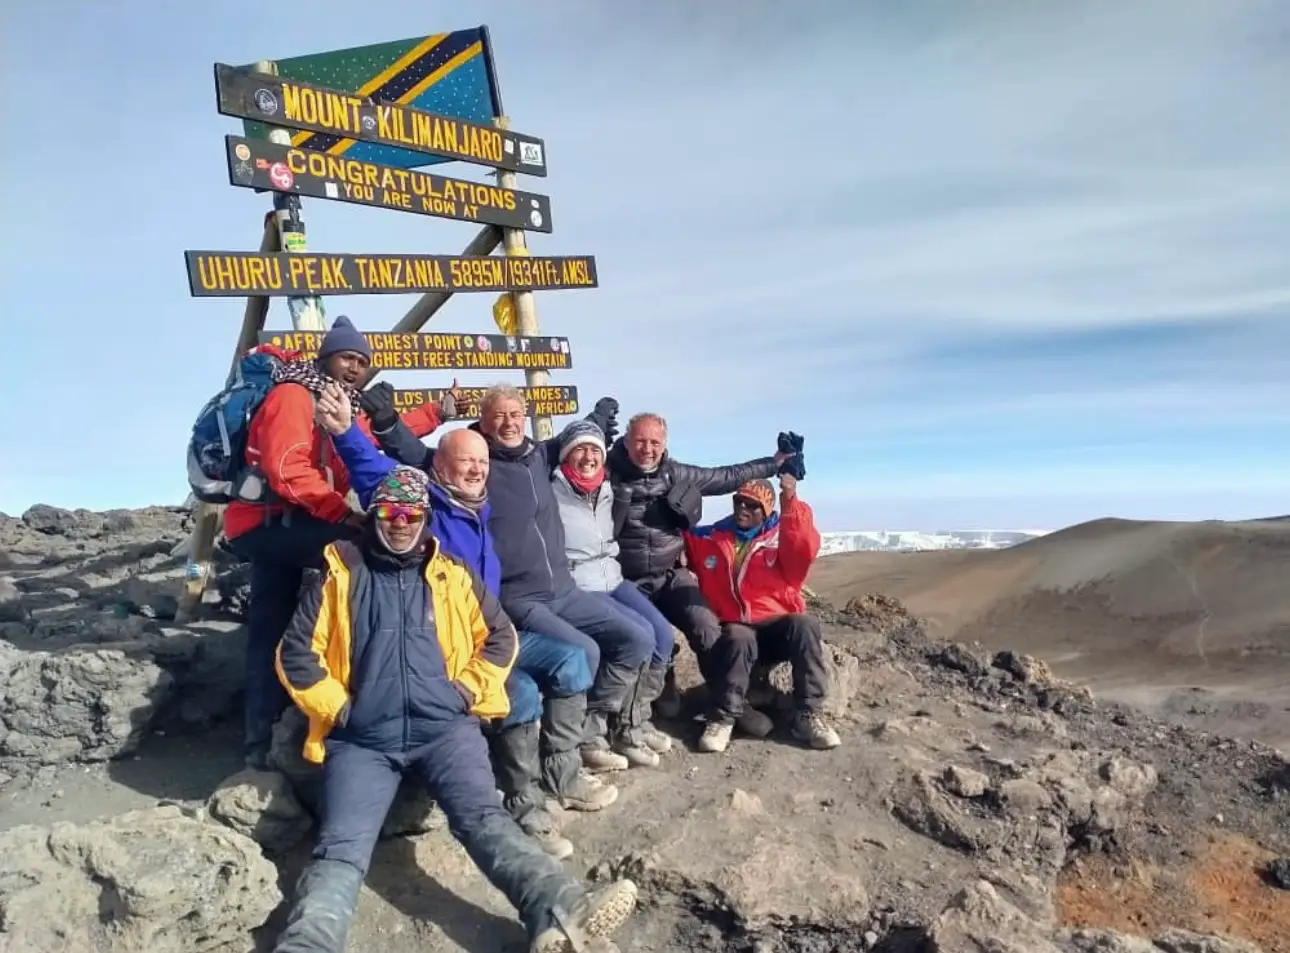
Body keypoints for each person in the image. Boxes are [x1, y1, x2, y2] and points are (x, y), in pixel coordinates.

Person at [271, 465, 638, 953]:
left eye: (411, 513)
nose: (400, 522)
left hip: (446, 730)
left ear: (424, 518)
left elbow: (500, 636)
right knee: (341, 852)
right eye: (390, 511)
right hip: (363, 740)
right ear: (375, 514)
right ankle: (306, 945)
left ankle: (560, 906)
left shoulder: (450, 574)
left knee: (486, 819)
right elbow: (296, 655)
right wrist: (341, 711)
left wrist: (464, 694)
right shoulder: (340, 572)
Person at [316, 388, 615, 857]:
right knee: (520, 692)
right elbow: (374, 470)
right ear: (439, 467)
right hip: (443, 653)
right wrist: (343, 431)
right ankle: (525, 802)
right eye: (464, 462)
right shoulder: (426, 505)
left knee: (572, 660)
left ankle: (565, 775)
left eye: (482, 463)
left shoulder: (481, 511)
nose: (477, 470)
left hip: (491, 635)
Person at [375, 385, 656, 776]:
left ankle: (592, 730)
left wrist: (598, 416)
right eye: (500, 415)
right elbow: (420, 457)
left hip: (565, 588)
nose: (509, 423)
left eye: (515, 414)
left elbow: (570, 440)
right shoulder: (478, 462)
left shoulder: (538, 455)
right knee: (585, 651)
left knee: (637, 639)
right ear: (485, 421)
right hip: (520, 598)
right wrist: (388, 425)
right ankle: (567, 748)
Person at [223, 315, 444, 768]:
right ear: (325, 357)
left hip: (283, 525)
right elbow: (287, 469)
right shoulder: (292, 396)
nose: (355, 368)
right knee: (361, 550)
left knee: (269, 624)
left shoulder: (335, 406)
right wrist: (345, 516)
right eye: (348, 357)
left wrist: (437, 412)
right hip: (266, 523)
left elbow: (368, 438)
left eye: (362, 362)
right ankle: (355, 682)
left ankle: (260, 738)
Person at [603, 411, 794, 721]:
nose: (647, 449)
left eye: (654, 442)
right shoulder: (608, 473)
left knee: (706, 626)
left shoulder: (675, 473)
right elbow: (571, 463)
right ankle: (661, 685)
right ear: (626, 441)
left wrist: (774, 464)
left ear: (664, 444)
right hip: (624, 579)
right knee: (650, 632)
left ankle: (728, 699)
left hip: (670, 575)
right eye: (640, 440)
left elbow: (726, 477)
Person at [683, 475, 841, 754]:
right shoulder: (710, 537)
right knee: (738, 634)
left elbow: (803, 545)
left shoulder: (782, 538)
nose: (743, 508)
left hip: (776, 628)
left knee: (805, 625)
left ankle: (809, 714)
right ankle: (724, 717)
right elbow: (675, 537)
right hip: (737, 632)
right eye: (739, 501)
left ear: (767, 510)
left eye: (753, 505)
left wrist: (790, 496)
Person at [552, 420, 677, 767]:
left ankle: (632, 723)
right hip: (578, 584)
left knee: (662, 637)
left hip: (612, 577)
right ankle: (592, 733)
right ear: (565, 455)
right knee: (638, 637)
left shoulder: (606, 489)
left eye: (595, 449)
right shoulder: (551, 492)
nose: (589, 456)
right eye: (580, 449)